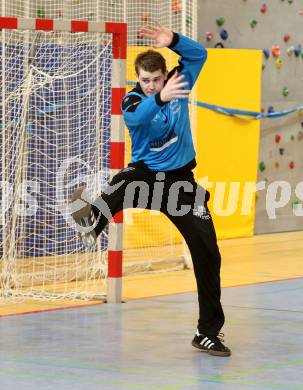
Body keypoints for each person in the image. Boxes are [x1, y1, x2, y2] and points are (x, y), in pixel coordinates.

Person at [71, 23, 231, 357]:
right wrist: (160, 96)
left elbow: (199, 55)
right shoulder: (133, 100)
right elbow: (141, 118)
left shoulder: (178, 82)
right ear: (138, 79)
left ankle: (207, 332)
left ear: (163, 74)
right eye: (146, 80)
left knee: (208, 251)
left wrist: (173, 41)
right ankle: (91, 221)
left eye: (157, 79)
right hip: (147, 178)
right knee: (126, 180)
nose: (152, 85)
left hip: (181, 183)